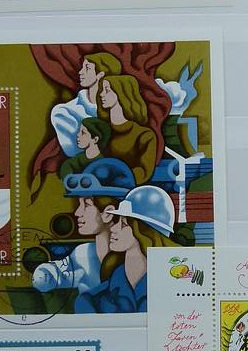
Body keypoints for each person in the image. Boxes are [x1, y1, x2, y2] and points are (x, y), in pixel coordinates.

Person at [31, 159, 136, 296]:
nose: (77, 212)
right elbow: (45, 277)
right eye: (79, 203)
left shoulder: (132, 263)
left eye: (86, 205)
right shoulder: (81, 253)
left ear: (108, 213)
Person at [75, 184, 177, 314]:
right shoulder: (90, 302)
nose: (113, 228)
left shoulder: (170, 288)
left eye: (123, 224)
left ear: (144, 232)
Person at [51, 52, 122, 158]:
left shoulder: (116, 106)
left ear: (100, 75)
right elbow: (75, 151)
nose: (80, 72)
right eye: (82, 68)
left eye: (87, 68)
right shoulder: (64, 112)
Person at [97, 74, 159, 185]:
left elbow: (144, 171)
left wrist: (117, 179)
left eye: (107, 90)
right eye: (101, 90)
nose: (101, 94)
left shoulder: (145, 135)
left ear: (122, 93)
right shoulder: (100, 132)